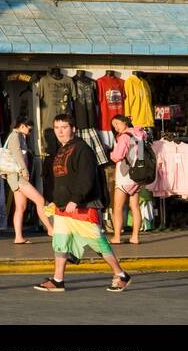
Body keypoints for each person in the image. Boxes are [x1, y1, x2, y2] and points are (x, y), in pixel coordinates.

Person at [33, 114, 131, 293]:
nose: (60, 131)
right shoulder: (61, 150)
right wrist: (55, 201)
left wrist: (75, 199)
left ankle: (121, 274)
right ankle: (58, 280)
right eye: (57, 128)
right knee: (60, 242)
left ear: (73, 129)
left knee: (98, 242)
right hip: (63, 207)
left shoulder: (82, 149)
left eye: (64, 127)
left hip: (83, 206)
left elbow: (87, 178)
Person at [1, 117, 53, 243]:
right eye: (29, 130)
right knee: (40, 200)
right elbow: (18, 154)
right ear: (22, 126)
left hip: (15, 176)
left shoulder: (17, 136)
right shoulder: (16, 136)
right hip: (18, 176)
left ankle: (18, 237)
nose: (30, 132)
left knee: (21, 207)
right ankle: (51, 229)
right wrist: (25, 171)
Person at [109, 115, 148, 245]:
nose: (116, 127)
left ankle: (117, 237)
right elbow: (141, 155)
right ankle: (135, 237)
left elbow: (117, 156)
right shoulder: (140, 135)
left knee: (118, 207)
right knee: (135, 207)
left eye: (117, 124)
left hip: (124, 175)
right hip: (137, 176)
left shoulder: (124, 137)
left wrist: (111, 153)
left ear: (125, 122)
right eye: (114, 126)